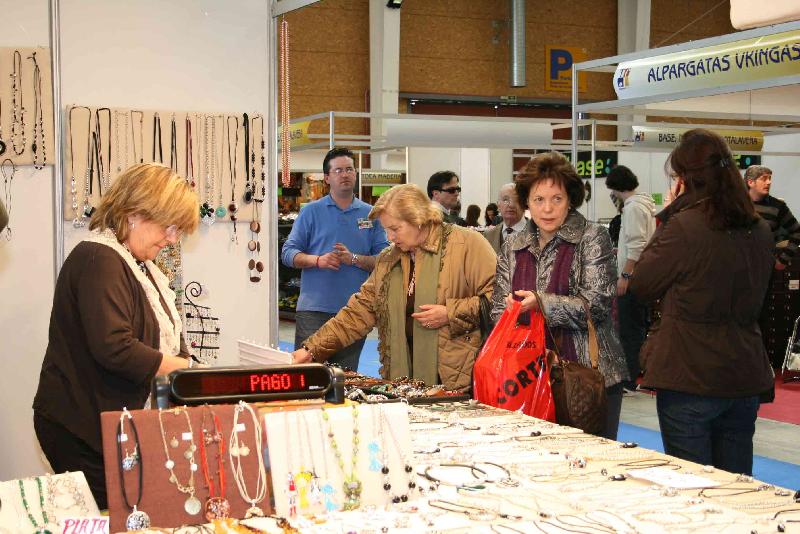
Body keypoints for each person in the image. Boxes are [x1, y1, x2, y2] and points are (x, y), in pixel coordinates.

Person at [32, 163, 199, 509]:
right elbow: (115, 347)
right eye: (169, 227)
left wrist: (187, 367)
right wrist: (189, 370)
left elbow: (166, 337)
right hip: (81, 428)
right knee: (112, 515)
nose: (172, 239)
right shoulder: (99, 259)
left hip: (108, 424)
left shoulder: (139, 266)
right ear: (135, 213)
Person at [629, 129, 774, 475]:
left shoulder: (685, 226)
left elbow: (642, 284)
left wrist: (670, 213)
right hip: (744, 371)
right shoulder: (759, 228)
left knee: (692, 487)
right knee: (737, 487)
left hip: (690, 372)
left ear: (685, 179)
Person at [291, 183, 496, 392]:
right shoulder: (389, 259)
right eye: (386, 230)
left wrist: (450, 314)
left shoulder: (467, 244)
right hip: (403, 384)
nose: (389, 237)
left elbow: (499, 301)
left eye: (395, 229)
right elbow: (359, 311)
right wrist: (311, 349)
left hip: (459, 381)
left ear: (419, 219)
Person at [491, 152, 628, 440]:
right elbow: (497, 308)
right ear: (526, 202)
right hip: (528, 377)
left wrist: (541, 304)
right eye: (538, 199)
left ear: (571, 200)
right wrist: (510, 310)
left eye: (557, 199)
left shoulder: (592, 237)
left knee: (590, 459)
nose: (547, 208)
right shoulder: (513, 244)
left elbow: (596, 306)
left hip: (587, 380)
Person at [281, 147, 389, 371]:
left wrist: (354, 259)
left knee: (346, 378)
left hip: (355, 312)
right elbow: (288, 253)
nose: (345, 174)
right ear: (327, 178)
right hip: (314, 310)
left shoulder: (371, 215)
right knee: (308, 375)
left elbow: (385, 260)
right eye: (338, 170)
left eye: (349, 169)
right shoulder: (311, 212)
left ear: (356, 174)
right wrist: (318, 260)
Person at [605, 165, 656, 392]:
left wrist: (625, 275)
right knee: (636, 327)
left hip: (633, 277)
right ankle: (634, 374)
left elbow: (636, 245)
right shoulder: (643, 204)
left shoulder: (634, 207)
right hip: (643, 274)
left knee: (629, 328)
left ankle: (629, 378)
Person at [744, 165, 800, 270]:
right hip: (737, 266)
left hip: (764, 266)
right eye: (764, 179)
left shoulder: (778, 206)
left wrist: (783, 259)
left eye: (770, 178)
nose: (769, 182)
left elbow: (797, 231)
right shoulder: (737, 204)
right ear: (750, 182)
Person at [483, 183, 527, 254]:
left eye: (517, 200)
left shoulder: (539, 235)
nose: (511, 205)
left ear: (525, 204)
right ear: (498, 205)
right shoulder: (488, 236)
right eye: (505, 200)